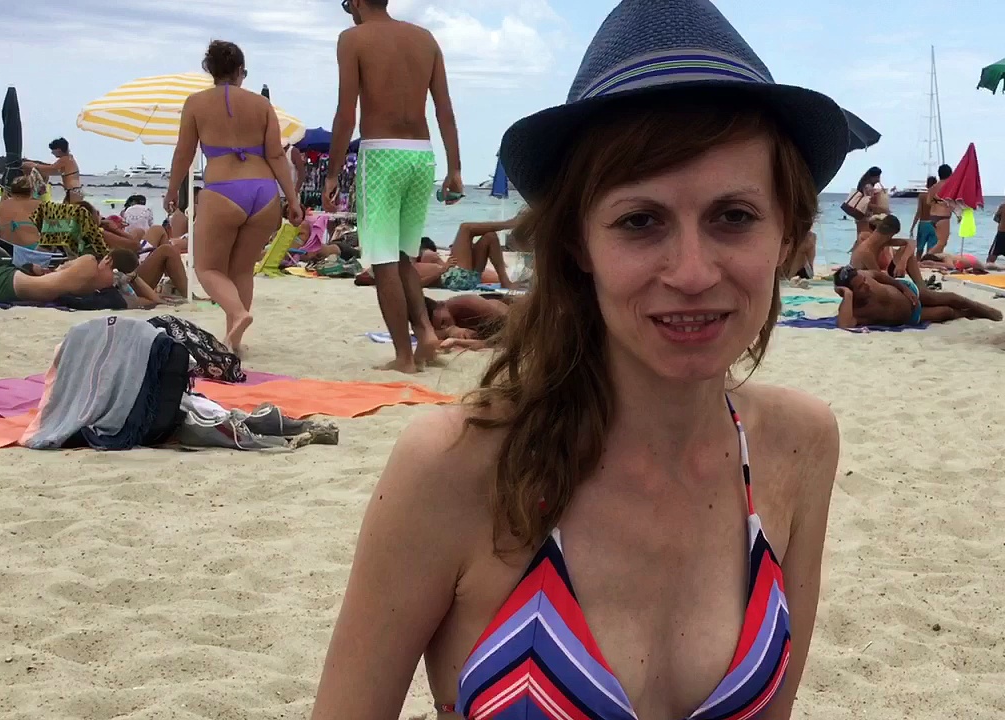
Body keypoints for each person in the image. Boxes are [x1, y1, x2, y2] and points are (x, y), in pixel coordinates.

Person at [309, 2, 845, 718]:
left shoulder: (800, 444)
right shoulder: (458, 467)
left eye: (734, 216)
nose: (692, 272)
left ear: (787, 235)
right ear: (576, 244)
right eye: (640, 221)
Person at [327, 0, 464, 373]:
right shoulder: (425, 38)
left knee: (383, 261)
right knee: (404, 255)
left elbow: (346, 113)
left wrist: (333, 172)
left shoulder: (353, 39)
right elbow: (444, 109)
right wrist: (455, 168)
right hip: (422, 155)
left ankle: (404, 356)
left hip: (381, 155)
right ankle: (425, 332)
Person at [165, 40, 303, 355]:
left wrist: (173, 190)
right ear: (241, 71)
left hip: (223, 190)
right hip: (264, 191)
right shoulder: (261, 105)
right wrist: (292, 199)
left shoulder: (196, 103)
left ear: (210, 70)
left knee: (207, 269)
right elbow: (276, 155)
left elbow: (184, 152)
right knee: (241, 270)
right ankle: (233, 343)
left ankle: (238, 315)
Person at [833, 267, 1002, 328]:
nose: (866, 285)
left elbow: (879, 275)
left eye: (864, 281)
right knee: (946, 312)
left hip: (909, 292)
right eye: (860, 287)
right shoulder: (854, 310)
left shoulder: (863, 276)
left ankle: (981, 309)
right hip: (911, 316)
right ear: (849, 292)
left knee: (950, 298)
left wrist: (904, 289)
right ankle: (967, 313)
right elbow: (844, 325)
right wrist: (847, 294)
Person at [0, 250, 136, 304]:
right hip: (11, 282)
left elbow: (59, 269)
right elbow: (146, 301)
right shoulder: (107, 293)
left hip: (9, 281)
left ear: (108, 260)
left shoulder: (88, 262)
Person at [414, 219, 520, 291]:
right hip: (455, 279)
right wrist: (442, 270)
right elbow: (417, 285)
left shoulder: (413, 261)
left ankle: (505, 282)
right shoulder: (408, 267)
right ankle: (511, 224)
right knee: (465, 228)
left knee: (490, 236)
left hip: (467, 278)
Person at [850, 213, 925, 287]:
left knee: (906, 251)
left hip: (876, 278)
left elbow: (912, 242)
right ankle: (922, 288)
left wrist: (903, 262)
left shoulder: (879, 241)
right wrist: (903, 287)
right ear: (889, 235)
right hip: (864, 285)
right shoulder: (866, 252)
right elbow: (881, 278)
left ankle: (921, 287)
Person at [424, 292, 512, 351]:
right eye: (440, 329)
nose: (446, 327)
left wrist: (458, 340)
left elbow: (511, 332)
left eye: (443, 322)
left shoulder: (466, 304)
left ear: (441, 304)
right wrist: (447, 332)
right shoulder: (440, 323)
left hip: (507, 313)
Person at [23, 138, 84, 203]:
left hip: (73, 191)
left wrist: (34, 165)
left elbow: (50, 169)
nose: (52, 153)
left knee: (69, 209)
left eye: (53, 150)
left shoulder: (64, 160)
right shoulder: (69, 158)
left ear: (58, 150)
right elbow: (51, 167)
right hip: (76, 191)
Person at [841, 166, 889, 235]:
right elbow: (868, 203)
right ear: (873, 177)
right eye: (877, 177)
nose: (878, 179)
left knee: (861, 236)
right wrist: (883, 210)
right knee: (865, 236)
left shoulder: (863, 183)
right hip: (865, 216)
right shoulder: (869, 187)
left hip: (860, 214)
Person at [0, 175, 42, 247]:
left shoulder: (0, 205)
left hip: (6, 248)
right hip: (32, 249)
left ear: (11, 191)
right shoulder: (40, 205)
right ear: (31, 191)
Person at [926, 163, 954, 253]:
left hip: (933, 216)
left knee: (940, 242)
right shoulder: (949, 187)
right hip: (943, 216)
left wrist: (937, 202)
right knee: (942, 243)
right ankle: (926, 257)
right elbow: (952, 202)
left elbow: (928, 202)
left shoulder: (933, 187)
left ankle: (935, 258)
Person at [910, 175, 939, 255]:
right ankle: (928, 262)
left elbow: (919, 212)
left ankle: (918, 262)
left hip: (923, 224)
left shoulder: (922, 196)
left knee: (919, 249)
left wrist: (912, 227)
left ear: (927, 185)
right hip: (935, 225)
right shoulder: (938, 197)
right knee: (931, 251)